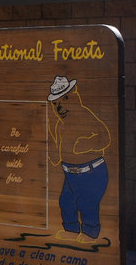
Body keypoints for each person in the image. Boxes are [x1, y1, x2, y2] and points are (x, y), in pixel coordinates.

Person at [47, 75, 110, 242]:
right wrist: (52, 151)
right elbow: (59, 150)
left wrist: (88, 144)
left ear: (75, 95)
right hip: (71, 175)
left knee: (87, 204)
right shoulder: (61, 125)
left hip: (92, 173)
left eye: (65, 99)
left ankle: (90, 233)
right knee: (66, 202)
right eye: (56, 104)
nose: (59, 107)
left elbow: (105, 137)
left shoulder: (86, 116)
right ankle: (71, 230)